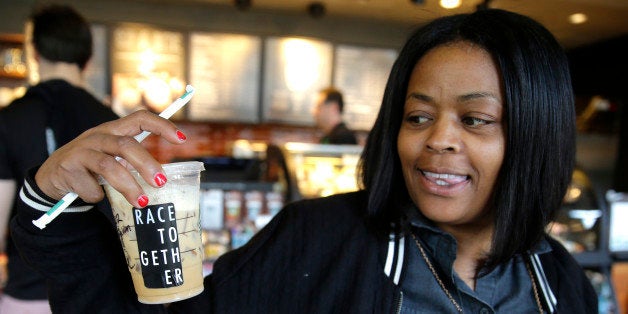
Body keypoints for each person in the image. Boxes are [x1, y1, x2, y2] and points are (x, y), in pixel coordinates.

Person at [10, 8, 596, 313]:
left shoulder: (562, 284)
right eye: (417, 117)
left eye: (475, 120)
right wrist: (59, 214)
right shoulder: (318, 240)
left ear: (536, 135)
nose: (436, 140)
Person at [0, 4, 119, 312]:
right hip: (102, 297)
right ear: (88, 59)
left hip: (30, 295)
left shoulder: (9, 120)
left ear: (34, 53)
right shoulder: (113, 122)